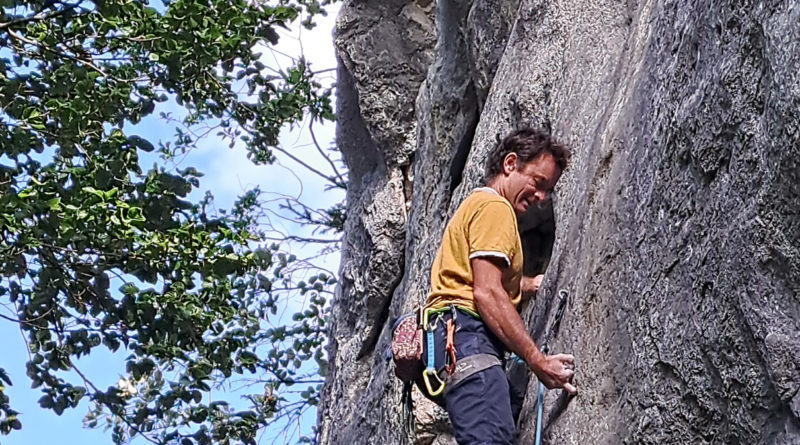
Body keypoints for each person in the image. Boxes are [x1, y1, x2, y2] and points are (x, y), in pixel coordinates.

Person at [422, 127, 576, 444]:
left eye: (549, 190)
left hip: (455, 341)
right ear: (510, 164)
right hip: (469, 339)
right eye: (538, 182)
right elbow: (486, 291)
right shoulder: (496, 208)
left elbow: (476, 276)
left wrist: (528, 283)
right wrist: (538, 360)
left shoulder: (476, 205)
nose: (541, 197)